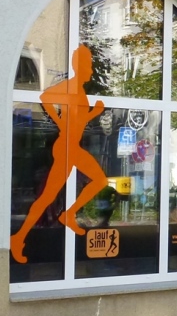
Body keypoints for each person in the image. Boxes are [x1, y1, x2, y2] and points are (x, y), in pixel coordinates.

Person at [10, 44, 108, 264]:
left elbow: (78, 122)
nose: (91, 70)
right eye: (88, 65)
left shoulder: (79, 91)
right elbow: (46, 97)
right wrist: (60, 122)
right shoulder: (70, 87)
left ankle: (66, 215)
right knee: (48, 196)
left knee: (96, 181)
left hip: (72, 147)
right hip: (66, 147)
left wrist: (93, 113)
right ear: (78, 66)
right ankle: (20, 236)